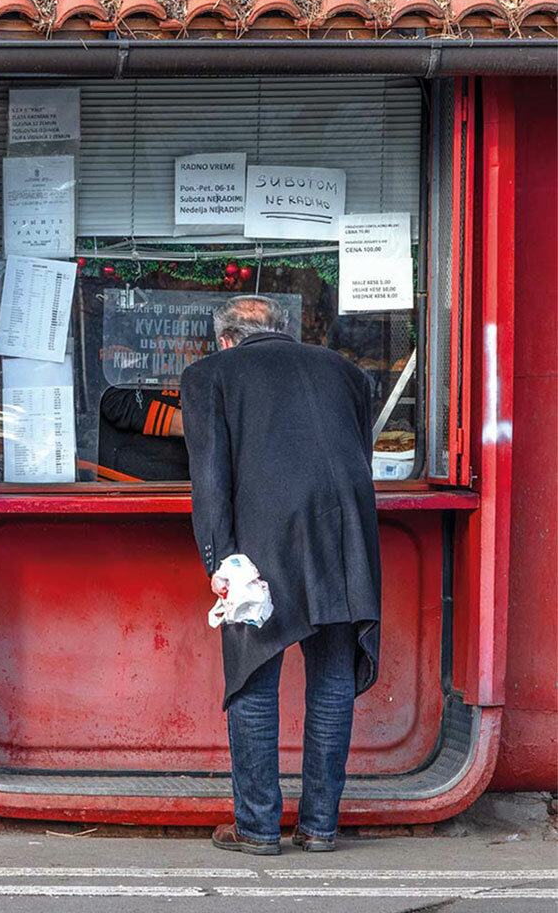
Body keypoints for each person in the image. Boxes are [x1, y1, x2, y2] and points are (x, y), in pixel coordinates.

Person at [180, 295, 381, 856]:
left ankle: (258, 826)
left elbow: (211, 482)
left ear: (226, 339)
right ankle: (320, 826)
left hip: (264, 537)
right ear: (282, 330)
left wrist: (222, 563)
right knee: (334, 678)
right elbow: (359, 456)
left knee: (254, 678)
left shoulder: (209, 375)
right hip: (345, 534)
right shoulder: (346, 371)